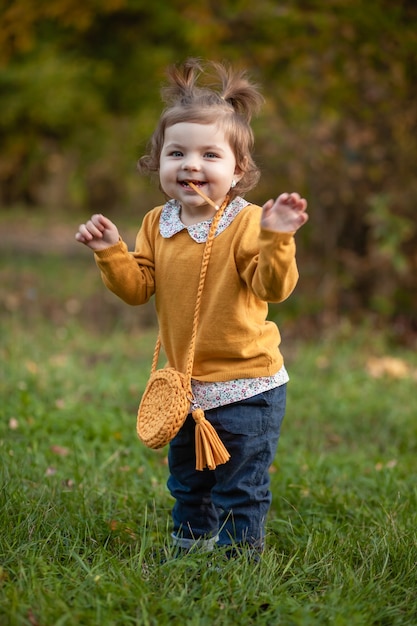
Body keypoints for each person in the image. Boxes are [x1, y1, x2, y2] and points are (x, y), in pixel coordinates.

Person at [75, 58, 308, 559]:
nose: (191, 166)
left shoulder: (248, 225)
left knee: (237, 485)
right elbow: (139, 288)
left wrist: (277, 238)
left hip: (247, 384)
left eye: (209, 155)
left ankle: (236, 560)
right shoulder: (157, 223)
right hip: (185, 385)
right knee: (189, 480)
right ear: (157, 163)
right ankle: (190, 547)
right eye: (176, 153)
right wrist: (111, 251)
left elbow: (274, 286)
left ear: (238, 170)